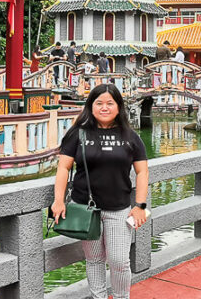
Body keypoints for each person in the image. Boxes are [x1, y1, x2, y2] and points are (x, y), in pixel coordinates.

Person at [52, 84, 148, 299]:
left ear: (118, 107)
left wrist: (140, 205)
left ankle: (122, 297)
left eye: (110, 103)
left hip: (119, 208)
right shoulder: (78, 134)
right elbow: (63, 167)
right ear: (91, 106)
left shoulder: (131, 137)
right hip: (86, 209)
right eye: (99, 103)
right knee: (94, 259)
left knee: (119, 261)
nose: (104, 108)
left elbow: (142, 172)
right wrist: (58, 200)